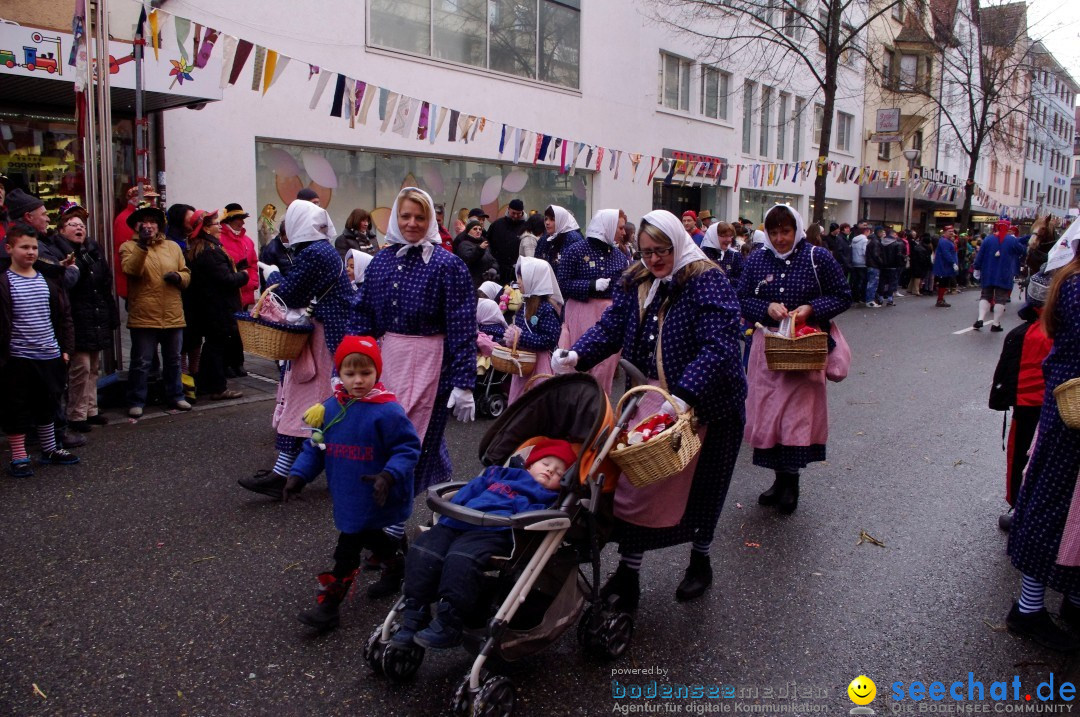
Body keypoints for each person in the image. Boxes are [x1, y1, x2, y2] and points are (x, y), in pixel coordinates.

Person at [555, 210, 747, 609]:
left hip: (709, 401)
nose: (654, 259)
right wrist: (577, 355)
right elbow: (611, 328)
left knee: (706, 490)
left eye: (661, 250)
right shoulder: (636, 280)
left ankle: (701, 560)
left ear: (677, 243)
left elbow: (720, 346)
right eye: (645, 252)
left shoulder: (707, 281)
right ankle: (629, 572)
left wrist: (685, 395)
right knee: (637, 486)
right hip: (651, 397)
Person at [353, 187, 477, 597]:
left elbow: (461, 324)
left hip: (429, 364)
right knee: (378, 446)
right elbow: (365, 315)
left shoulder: (448, 265)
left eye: (419, 218)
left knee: (409, 449)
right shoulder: (382, 261)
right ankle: (384, 539)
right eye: (405, 216)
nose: (411, 224)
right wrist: (350, 364)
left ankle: (392, 546)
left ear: (430, 221)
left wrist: (463, 381)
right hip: (389, 360)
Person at [283, 336, 422, 632]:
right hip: (348, 493)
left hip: (378, 492)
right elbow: (316, 446)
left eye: (365, 373)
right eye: (350, 374)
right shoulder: (330, 409)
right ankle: (397, 566)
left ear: (377, 372)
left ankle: (329, 607)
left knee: (347, 550)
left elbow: (407, 449)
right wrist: (298, 475)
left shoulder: (387, 411)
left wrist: (388, 474)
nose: (358, 381)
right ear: (340, 374)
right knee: (371, 535)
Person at [391, 439, 575, 649]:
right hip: (459, 520)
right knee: (424, 550)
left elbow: (534, 518)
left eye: (559, 472)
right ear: (530, 464)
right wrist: (455, 507)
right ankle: (415, 614)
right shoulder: (501, 473)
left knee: (461, 559)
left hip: (493, 530)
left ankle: (450, 621)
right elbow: (472, 488)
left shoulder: (547, 496)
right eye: (546, 463)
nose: (551, 471)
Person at [737, 204, 852, 515]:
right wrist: (767, 307)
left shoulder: (817, 257)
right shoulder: (758, 259)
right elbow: (742, 297)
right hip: (770, 348)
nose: (780, 238)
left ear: (796, 229)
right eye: (773, 232)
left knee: (794, 417)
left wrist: (811, 308)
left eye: (785, 231)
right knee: (772, 415)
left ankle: (792, 482)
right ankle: (779, 479)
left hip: (804, 347)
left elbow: (843, 294)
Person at [242, 200, 358, 499]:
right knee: (313, 404)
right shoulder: (323, 250)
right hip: (328, 334)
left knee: (310, 403)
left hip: (325, 339)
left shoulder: (314, 253)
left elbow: (292, 294)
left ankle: (288, 474)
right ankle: (287, 472)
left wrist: (273, 276)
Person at [1004, 241, 1080, 653]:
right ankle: (1028, 610)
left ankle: (1076, 600)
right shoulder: (1076, 285)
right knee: (1054, 509)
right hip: (1072, 422)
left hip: (1067, 416)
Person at [1, 224, 79, 477]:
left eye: (34, 247)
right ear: (9, 249)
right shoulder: (4, 282)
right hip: (18, 357)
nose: (30, 252)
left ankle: (49, 448)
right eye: (24, 247)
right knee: (17, 407)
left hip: (50, 354)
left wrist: (65, 349)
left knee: (48, 403)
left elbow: (64, 316)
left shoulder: (48, 280)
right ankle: (19, 455)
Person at [990, 272, 1053, 532]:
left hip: (1029, 405)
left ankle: (1019, 504)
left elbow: (1006, 374)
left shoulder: (1023, 334)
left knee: (1022, 457)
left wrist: (1001, 399)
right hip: (1058, 404)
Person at [121, 203, 190, 418]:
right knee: (142, 362)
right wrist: (142, 245)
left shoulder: (172, 247)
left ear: (160, 225)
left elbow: (186, 273)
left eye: (153, 222)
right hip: (145, 314)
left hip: (172, 313)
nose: (149, 226)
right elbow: (131, 270)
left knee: (173, 360)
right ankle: (136, 400)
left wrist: (179, 277)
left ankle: (176, 396)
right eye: (145, 222)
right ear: (137, 226)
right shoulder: (128, 247)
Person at [555, 209, 629, 395]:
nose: (624, 232)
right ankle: (574, 405)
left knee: (604, 366)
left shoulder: (620, 256)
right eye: (620, 227)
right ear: (608, 226)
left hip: (609, 314)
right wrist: (590, 285)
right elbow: (562, 284)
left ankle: (600, 406)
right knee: (578, 361)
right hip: (581, 312)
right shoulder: (576, 251)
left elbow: (625, 288)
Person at [59, 207, 119, 432]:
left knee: (94, 366)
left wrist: (111, 312)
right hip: (76, 316)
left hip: (95, 314)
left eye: (82, 226)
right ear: (62, 229)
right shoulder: (62, 252)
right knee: (80, 367)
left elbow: (105, 284)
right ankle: (76, 414)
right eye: (73, 225)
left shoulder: (92, 250)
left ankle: (91, 409)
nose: (79, 229)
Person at [185, 210, 248, 401]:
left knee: (213, 346)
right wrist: (244, 275)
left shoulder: (204, 249)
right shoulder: (210, 252)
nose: (220, 226)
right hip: (218, 309)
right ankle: (217, 387)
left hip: (212, 307)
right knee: (217, 348)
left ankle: (205, 384)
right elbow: (225, 279)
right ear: (205, 228)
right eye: (215, 224)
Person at [506, 257, 563, 405]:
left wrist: (520, 337)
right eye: (518, 277)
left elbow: (549, 340)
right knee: (520, 398)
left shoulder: (547, 308)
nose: (518, 281)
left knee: (538, 399)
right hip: (523, 361)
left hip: (540, 362)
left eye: (522, 277)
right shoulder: (523, 306)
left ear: (535, 280)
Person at [218, 203, 259, 378]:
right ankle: (226, 363)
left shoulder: (247, 241)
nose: (242, 223)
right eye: (238, 219)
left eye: (242, 219)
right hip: (228, 293)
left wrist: (253, 282)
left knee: (240, 331)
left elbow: (253, 264)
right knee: (228, 331)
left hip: (244, 292)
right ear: (230, 220)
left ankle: (238, 363)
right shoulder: (220, 240)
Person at [973, 220, 1026, 332]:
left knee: (985, 295)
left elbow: (980, 255)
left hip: (988, 272)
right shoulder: (1012, 240)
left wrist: (976, 267)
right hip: (1004, 273)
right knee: (1000, 299)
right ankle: (996, 323)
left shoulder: (987, 239)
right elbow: (1022, 251)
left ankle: (980, 318)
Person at [534, 205, 583, 276]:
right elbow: (537, 261)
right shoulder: (545, 238)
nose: (547, 222)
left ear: (561, 220)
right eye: (546, 219)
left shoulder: (573, 239)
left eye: (552, 219)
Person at [487, 199, 527, 284]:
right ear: (508, 209)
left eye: (519, 214)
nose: (516, 216)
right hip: (498, 270)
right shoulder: (497, 225)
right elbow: (488, 245)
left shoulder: (527, 227)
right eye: (513, 213)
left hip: (518, 272)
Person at [453, 220, 500, 289]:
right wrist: (480, 249)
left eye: (480, 229)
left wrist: (494, 268)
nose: (478, 231)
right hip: (472, 283)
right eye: (475, 229)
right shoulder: (464, 244)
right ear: (468, 231)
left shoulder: (484, 243)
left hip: (485, 283)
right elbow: (469, 259)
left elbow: (492, 259)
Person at [932, 225, 959, 307]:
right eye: (949, 231)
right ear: (945, 232)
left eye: (952, 231)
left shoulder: (948, 240)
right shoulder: (944, 241)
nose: (952, 233)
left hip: (946, 266)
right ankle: (940, 300)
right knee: (943, 283)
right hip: (944, 266)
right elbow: (946, 254)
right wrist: (953, 263)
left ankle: (941, 299)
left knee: (944, 283)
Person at [879, 228, 906, 306]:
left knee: (882, 282)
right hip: (893, 265)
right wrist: (901, 262)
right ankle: (889, 299)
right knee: (892, 282)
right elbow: (898, 255)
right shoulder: (896, 244)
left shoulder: (881, 242)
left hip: (883, 265)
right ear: (893, 235)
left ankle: (880, 298)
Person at [849, 223, 869, 306]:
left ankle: (854, 297)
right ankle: (861, 297)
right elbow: (865, 251)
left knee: (855, 281)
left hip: (854, 261)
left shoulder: (854, 239)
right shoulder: (865, 240)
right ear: (866, 232)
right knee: (863, 281)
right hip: (862, 263)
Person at [865, 227, 885, 308]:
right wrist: (882, 262)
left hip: (870, 264)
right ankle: (870, 301)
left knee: (871, 283)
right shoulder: (876, 242)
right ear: (878, 232)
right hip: (874, 265)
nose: (883, 234)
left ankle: (869, 299)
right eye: (882, 232)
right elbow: (876, 255)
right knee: (873, 284)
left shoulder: (871, 240)